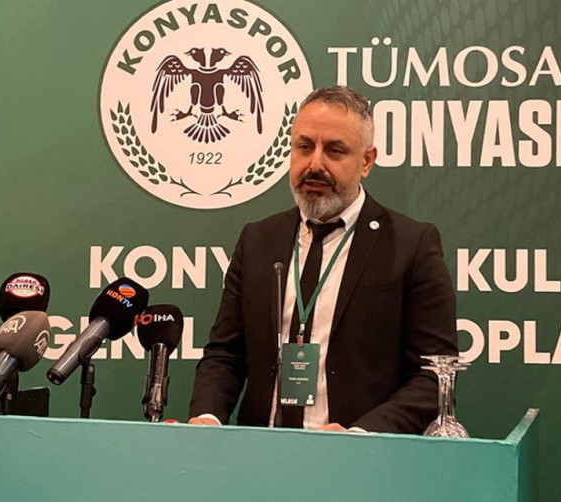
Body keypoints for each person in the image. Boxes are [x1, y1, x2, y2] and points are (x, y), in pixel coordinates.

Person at [188, 85, 457, 434]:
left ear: (366, 161)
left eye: (334, 150)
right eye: (304, 147)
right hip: (260, 454)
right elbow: (224, 354)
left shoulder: (410, 245)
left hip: (360, 456)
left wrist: (359, 435)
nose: (315, 164)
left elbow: (433, 376)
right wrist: (207, 419)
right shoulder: (258, 240)